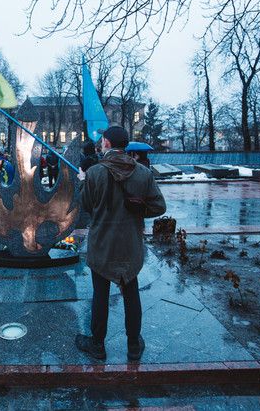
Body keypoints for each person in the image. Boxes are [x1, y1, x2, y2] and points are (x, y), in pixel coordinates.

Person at [76, 125, 166, 361]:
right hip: (130, 245)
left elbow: (86, 206)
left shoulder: (95, 173)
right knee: (131, 292)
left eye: (102, 140)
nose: (100, 143)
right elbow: (159, 207)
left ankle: (97, 345)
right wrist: (137, 209)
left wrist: (83, 181)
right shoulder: (143, 173)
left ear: (106, 143)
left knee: (100, 294)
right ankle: (134, 345)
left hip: (102, 245)